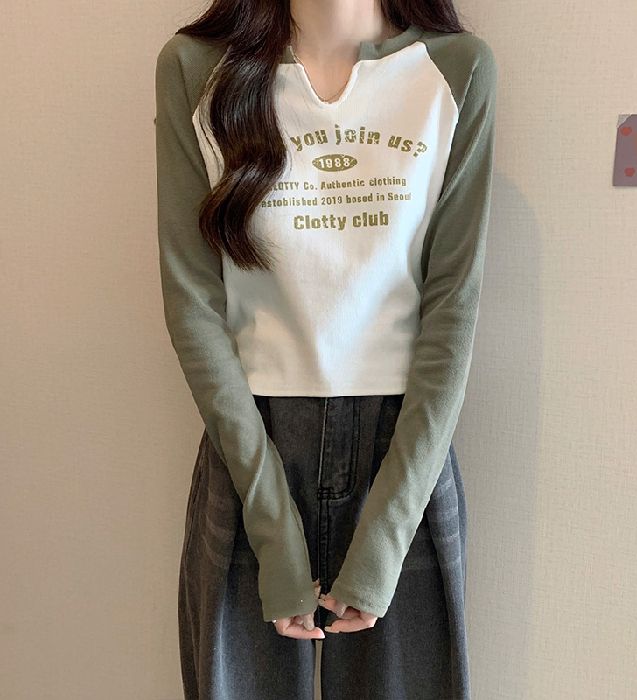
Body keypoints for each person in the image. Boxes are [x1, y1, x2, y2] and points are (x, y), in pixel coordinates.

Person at [154, 0, 497, 697]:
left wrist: (385, 536)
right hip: (251, 442)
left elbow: (452, 309)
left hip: (404, 450)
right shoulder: (195, 69)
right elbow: (193, 300)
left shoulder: (455, 69)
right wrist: (271, 527)